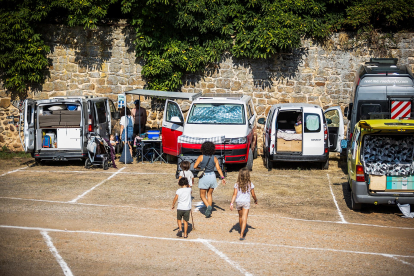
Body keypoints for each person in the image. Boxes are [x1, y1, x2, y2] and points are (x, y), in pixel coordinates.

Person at [193, 141, 226, 218]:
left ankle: (208, 206)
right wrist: (222, 177)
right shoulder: (214, 158)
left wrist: (200, 168)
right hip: (212, 176)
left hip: (204, 176)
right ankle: (209, 211)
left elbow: (195, 166)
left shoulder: (201, 157)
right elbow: (218, 168)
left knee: (202, 195)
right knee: (209, 194)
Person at [230, 167, 257, 241]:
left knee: (240, 216)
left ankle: (241, 228)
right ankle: (242, 234)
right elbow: (253, 194)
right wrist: (255, 200)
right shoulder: (250, 184)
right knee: (244, 218)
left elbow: (234, 194)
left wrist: (231, 203)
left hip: (238, 202)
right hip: (246, 202)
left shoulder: (237, 184)